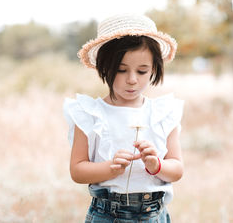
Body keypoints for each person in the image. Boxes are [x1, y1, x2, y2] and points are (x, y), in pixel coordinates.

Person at [63, 14, 184, 222]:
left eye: (142, 71)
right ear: (104, 67)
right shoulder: (90, 113)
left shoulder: (162, 113)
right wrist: (109, 168)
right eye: (121, 70)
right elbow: (77, 170)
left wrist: (157, 165)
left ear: (154, 68)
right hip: (106, 214)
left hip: (153, 215)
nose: (132, 80)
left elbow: (177, 169)